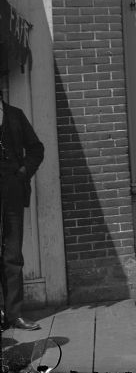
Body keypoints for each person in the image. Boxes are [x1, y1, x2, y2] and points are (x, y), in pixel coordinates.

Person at [0, 99, 44, 331]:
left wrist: (23, 172)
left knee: (13, 255)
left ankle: (14, 315)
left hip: (13, 192)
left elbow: (37, 148)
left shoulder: (15, 115)